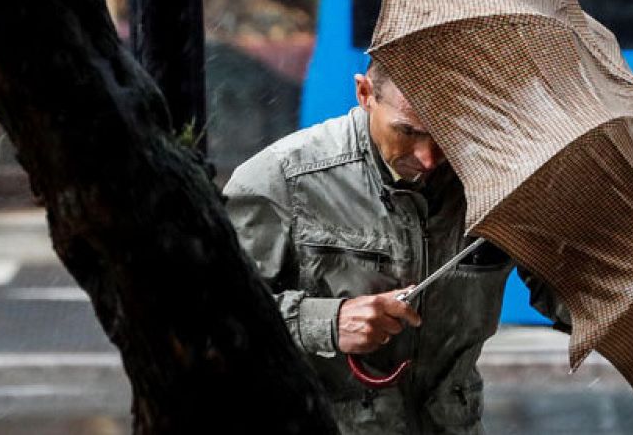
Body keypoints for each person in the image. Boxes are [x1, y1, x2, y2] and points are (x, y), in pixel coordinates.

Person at [223, 60, 567, 435]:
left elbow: (567, 299)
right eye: (407, 131)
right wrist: (326, 322)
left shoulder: (497, 181)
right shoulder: (281, 180)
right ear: (365, 93)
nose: (428, 158)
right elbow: (208, 316)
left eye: (443, 133)